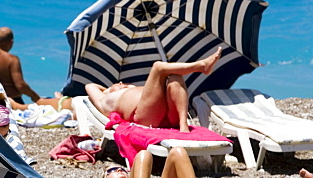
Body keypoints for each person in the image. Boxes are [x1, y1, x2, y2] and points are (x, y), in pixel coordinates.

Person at [85, 49, 222, 132]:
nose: (121, 83)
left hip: (166, 115)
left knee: (175, 76)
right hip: (143, 117)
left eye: (123, 83)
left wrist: (121, 87)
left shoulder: (131, 90)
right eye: (117, 83)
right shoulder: (104, 100)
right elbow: (90, 86)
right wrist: (109, 89)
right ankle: (201, 66)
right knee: (157, 67)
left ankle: (182, 124)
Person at [0, 27, 42, 105]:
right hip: (13, 102)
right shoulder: (12, 59)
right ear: (11, 42)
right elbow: (20, 85)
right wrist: (35, 97)